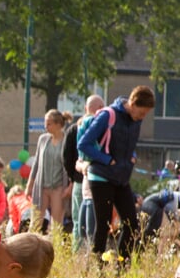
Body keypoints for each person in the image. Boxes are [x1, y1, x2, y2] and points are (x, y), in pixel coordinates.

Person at [78, 86, 155, 266]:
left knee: (132, 225)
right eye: (142, 113)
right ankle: (98, 271)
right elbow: (84, 144)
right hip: (101, 177)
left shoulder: (135, 120)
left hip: (121, 178)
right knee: (103, 227)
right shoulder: (108, 116)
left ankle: (121, 268)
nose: (142, 118)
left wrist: (132, 156)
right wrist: (106, 159)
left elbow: (126, 144)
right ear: (133, 103)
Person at [66, 96, 104, 252]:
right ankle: (83, 256)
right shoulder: (80, 128)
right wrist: (80, 169)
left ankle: (85, 256)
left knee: (86, 227)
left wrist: (76, 173)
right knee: (83, 225)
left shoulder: (82, 128)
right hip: (84, 184)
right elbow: (72, 159)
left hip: (87, 185)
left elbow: (68, 158)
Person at [25, 109, 70, 235]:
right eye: (46, 123)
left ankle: (53, 250)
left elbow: (71, 165)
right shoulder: (43, 139)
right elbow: (36, 163)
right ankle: (30, 247)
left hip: (58, 186)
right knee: (36, 221)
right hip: (42, 186)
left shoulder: (67, 140)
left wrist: (70, 187)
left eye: (49, 123)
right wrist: (30, 185)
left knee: (56, 224)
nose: (46, 126)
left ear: (58, 124)